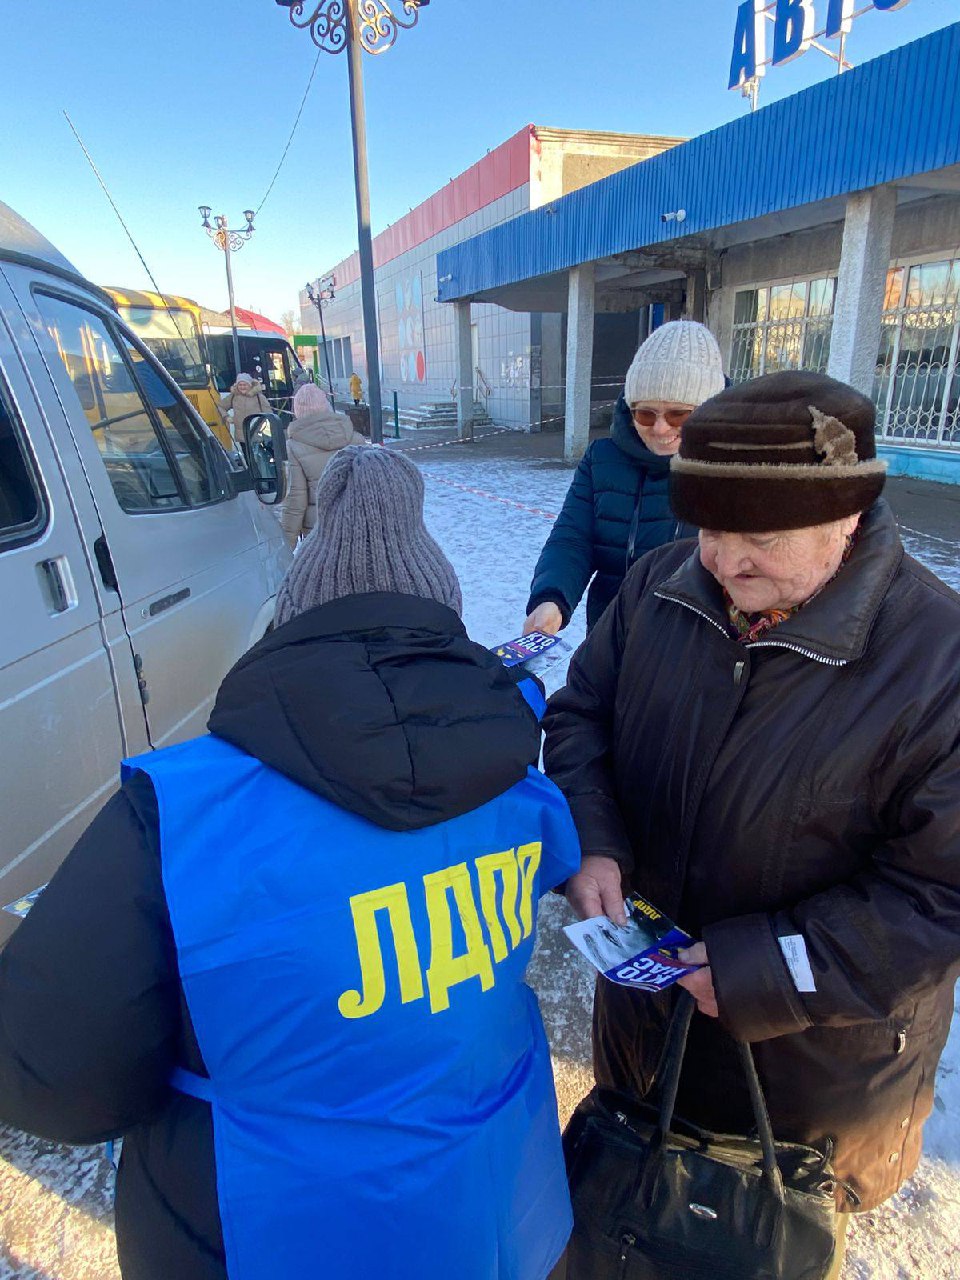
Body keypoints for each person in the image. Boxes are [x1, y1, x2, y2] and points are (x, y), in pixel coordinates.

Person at [0, 445, 581, 1280]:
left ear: (291, 626)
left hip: (264, 1228)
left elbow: (54, 1077)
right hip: (494, 1210)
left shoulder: (178, 812)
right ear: (443, 628)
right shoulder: (519, 785)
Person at [545, 371, 960, 1272]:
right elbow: (580, 718)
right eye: (708, 528)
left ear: (847, 516)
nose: (725, 561)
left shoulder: (939, 659)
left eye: (761, 538)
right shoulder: (659, 587)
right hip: (647, 1034)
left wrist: (766, 969)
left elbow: (941, 896)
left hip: (814, 1078)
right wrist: (594, 837)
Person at [523, 321, 724, 636]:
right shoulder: (602, 459)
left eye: (679, 414)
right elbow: (573, 538)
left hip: (696, 644)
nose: (660, 428)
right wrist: (552, 598)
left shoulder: (735, 467)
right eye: (645, 413)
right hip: (612, 637)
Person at [279, 382, 365, 547]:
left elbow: (295, 501)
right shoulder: (356, 439)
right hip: (358, 525)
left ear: (298, 412)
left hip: (320, 534)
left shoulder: (294, 447)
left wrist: (288, 546)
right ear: (326, 406)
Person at [217, 372, 271, 446]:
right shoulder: (233, 396)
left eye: (245, 385)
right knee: (245, 453)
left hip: (257, 436)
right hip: (241, 437)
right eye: (240, 385)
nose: (242, 387)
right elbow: (220, 406)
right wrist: (226, 417)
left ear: (250, 385)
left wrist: (261, 427)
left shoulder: (259, 397)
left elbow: (269, 414)